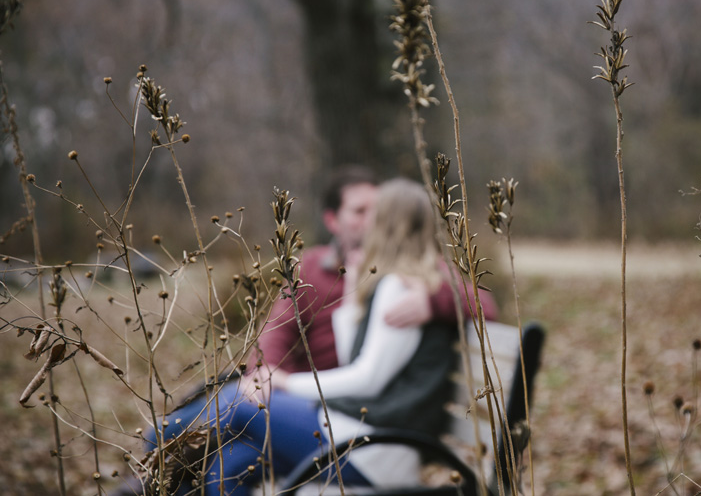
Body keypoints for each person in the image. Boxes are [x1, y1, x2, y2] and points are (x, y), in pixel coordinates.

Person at [165, 178, 469, 495]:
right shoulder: (398, 281)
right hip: (356, 430)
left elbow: (369, 378)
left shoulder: (402, 288)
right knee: (232, 465)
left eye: (374, 213)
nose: (368, 222)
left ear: (388, 222)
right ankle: (163, 448)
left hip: (375, 448)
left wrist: (283, 382)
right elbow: (351, 354)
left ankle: (160, 442)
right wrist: (355, 296)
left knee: (242, 404)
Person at [252, 165, 496, 373]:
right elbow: (277, 331)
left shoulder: (408, 267)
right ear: (332, 221)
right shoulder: (311, 267)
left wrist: (433, 303)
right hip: (314, 390)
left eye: (377, 210)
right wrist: (264, 374)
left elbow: (483, 304)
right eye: (360, 211)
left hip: (360, 404)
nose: (372, 220)